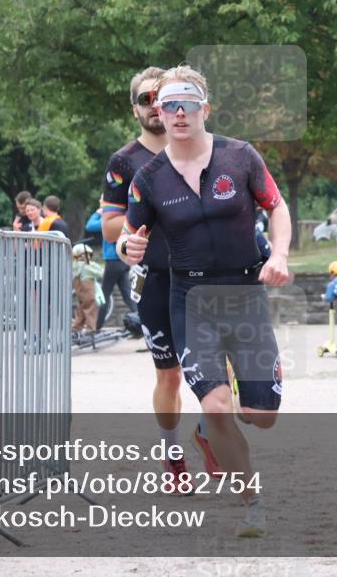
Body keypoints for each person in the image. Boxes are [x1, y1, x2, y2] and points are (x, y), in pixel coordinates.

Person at [118, 65, 292, 537]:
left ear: (204, 109)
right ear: (159, 111)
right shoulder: (148, 177)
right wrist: (127, 247)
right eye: (168, 105)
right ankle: (250, 499)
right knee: (216, 405)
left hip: (244, 293)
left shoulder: (241, 157)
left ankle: (224, 423)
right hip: (190, 297)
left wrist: (278, 254)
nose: (177, 113)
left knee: (262, 416)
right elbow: (130, 236)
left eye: (186, 104)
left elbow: (276, 206)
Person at [101, 66, 216, 491]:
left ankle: (208, 433)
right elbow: (110, 225)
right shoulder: (125, 162)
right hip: (159, 277)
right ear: (136, 109)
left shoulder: (205, 149)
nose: (157, 107)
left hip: (208, 277)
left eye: (162, 98)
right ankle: (173, 455)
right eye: (147, 100)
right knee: (168, 375)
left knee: (221, 369)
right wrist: (142, 225)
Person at [86, 197, 137, 330]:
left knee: (104, 294)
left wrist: (99, 212)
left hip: (114, 261)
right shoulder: (123, 216)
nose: (100, 202)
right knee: (127, 295)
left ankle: (96, 327)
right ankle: (142, 322)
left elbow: (90, 226)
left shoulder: (112, 220)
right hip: (122, 261)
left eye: (102, 201)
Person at [71, 243, 104, 335]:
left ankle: (76, 327)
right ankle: (90, 328)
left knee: (81, 309)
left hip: (79, 292)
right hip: (88, 292)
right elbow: (100, 273)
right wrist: (95, 266)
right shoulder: (87, 266)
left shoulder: (75, 266)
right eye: (88, 255)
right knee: (90, 309)